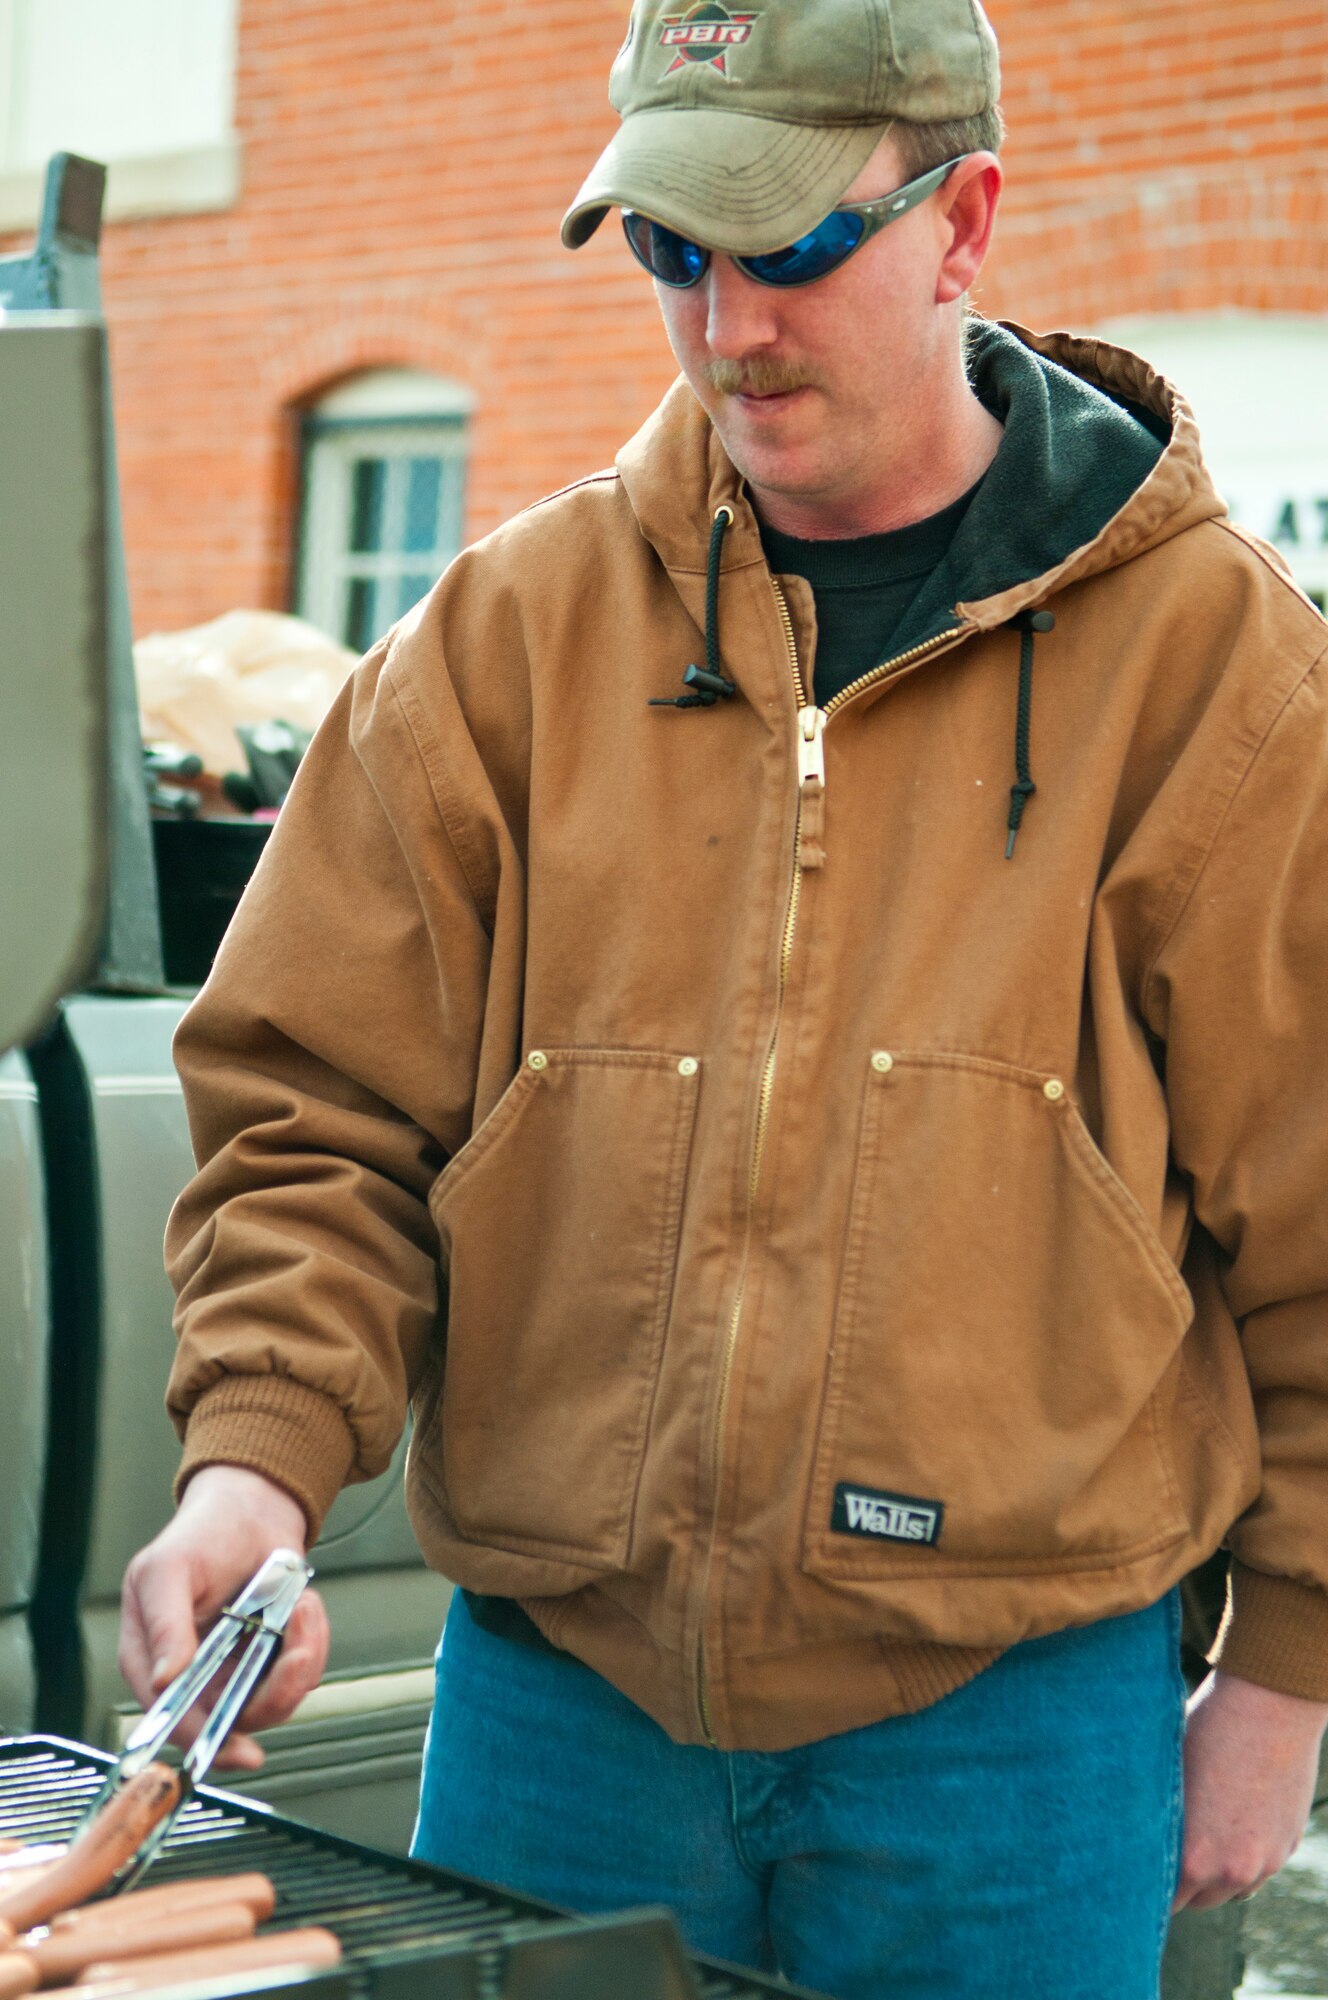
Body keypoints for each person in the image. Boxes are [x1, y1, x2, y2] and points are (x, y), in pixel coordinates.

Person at [119, 2, 1328, 1994]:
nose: (727, 324)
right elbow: (317, 1117)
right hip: (561, 1716)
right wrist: (255, 1457)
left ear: (964, 224)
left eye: (791, 250)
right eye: (676, 253)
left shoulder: (1226, 683)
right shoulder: (499, 644)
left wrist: (1284, 1670)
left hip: (1011, 1743)